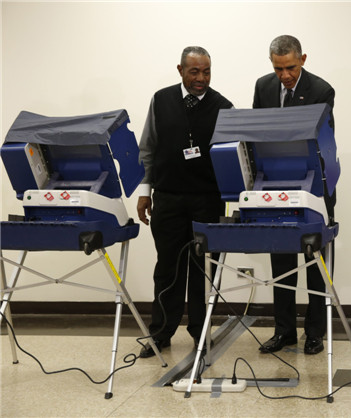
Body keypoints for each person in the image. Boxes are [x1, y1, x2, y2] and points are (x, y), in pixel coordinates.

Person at [137, 46, 233, 358]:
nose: (201, 78)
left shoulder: (224, 107)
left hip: (208, 201)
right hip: (168, 199)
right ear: (180, 70)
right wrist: (143, 190)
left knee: (203, 269)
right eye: (194, 71)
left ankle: (200, 332)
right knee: (167, 267)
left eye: (206, 71)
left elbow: (235, 157)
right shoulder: (160, 100)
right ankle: (161, 332)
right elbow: (147, 148)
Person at [253, 35, 335, 355]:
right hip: (275, 183)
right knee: (281, 261)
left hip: (314, 182)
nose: (284, 75)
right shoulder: (263, 87)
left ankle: (314, 332)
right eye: (278, 68)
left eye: (289, 67)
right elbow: (258, 134)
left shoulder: (320, 90)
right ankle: (284, 330)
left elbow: (314, 138)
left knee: (315, 260)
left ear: (302, 58)